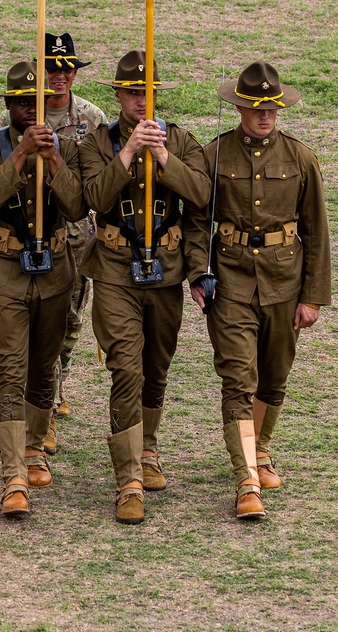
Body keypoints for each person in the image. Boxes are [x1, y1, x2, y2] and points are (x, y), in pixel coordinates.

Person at [189, 61, 331, 520]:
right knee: (237, 378)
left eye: (270, 108)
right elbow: (196, 221)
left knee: (274, 376)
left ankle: (261, 449)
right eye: (254, 107)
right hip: (229, 282)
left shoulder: (300, 158)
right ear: (239, 108)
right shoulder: (213, 156)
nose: (263, 115)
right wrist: (197, 273)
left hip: (283, 283)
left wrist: (311, 296)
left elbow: (316, 232)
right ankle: (247, 479)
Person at [79, 50, 210, 524]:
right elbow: (89, 198)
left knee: (156, 366)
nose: (141, 102)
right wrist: (128, 153)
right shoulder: (97, 142)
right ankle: (128, 478)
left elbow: (201, 195)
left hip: (167, 270)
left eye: (149, 93)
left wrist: (163, 157)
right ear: (117, 95)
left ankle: (149, 447)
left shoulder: (180, 140)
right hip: (115, 268)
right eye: (133, 93)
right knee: (126, 369)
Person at [0, 60, 86, 517]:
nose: (30, 111)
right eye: (21, 102)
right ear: (8, 104)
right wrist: (19, 157)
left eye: (38, 103)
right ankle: (13, 474)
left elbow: (76, 206)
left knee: (44, 366)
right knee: (10, 371)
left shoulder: (68, 146)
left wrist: (52, 156)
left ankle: (35, 448)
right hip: (4, 271)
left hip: (55, 269)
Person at [0, 32, 107, 452]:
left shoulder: (93, 118)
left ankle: (56, 391)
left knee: (69, 325)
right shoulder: (13, 120)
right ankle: (45, 403)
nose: (59, 76)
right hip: (28, 243)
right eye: (51, 68)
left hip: (76, 242)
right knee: (35, 330)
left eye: (66, 68)